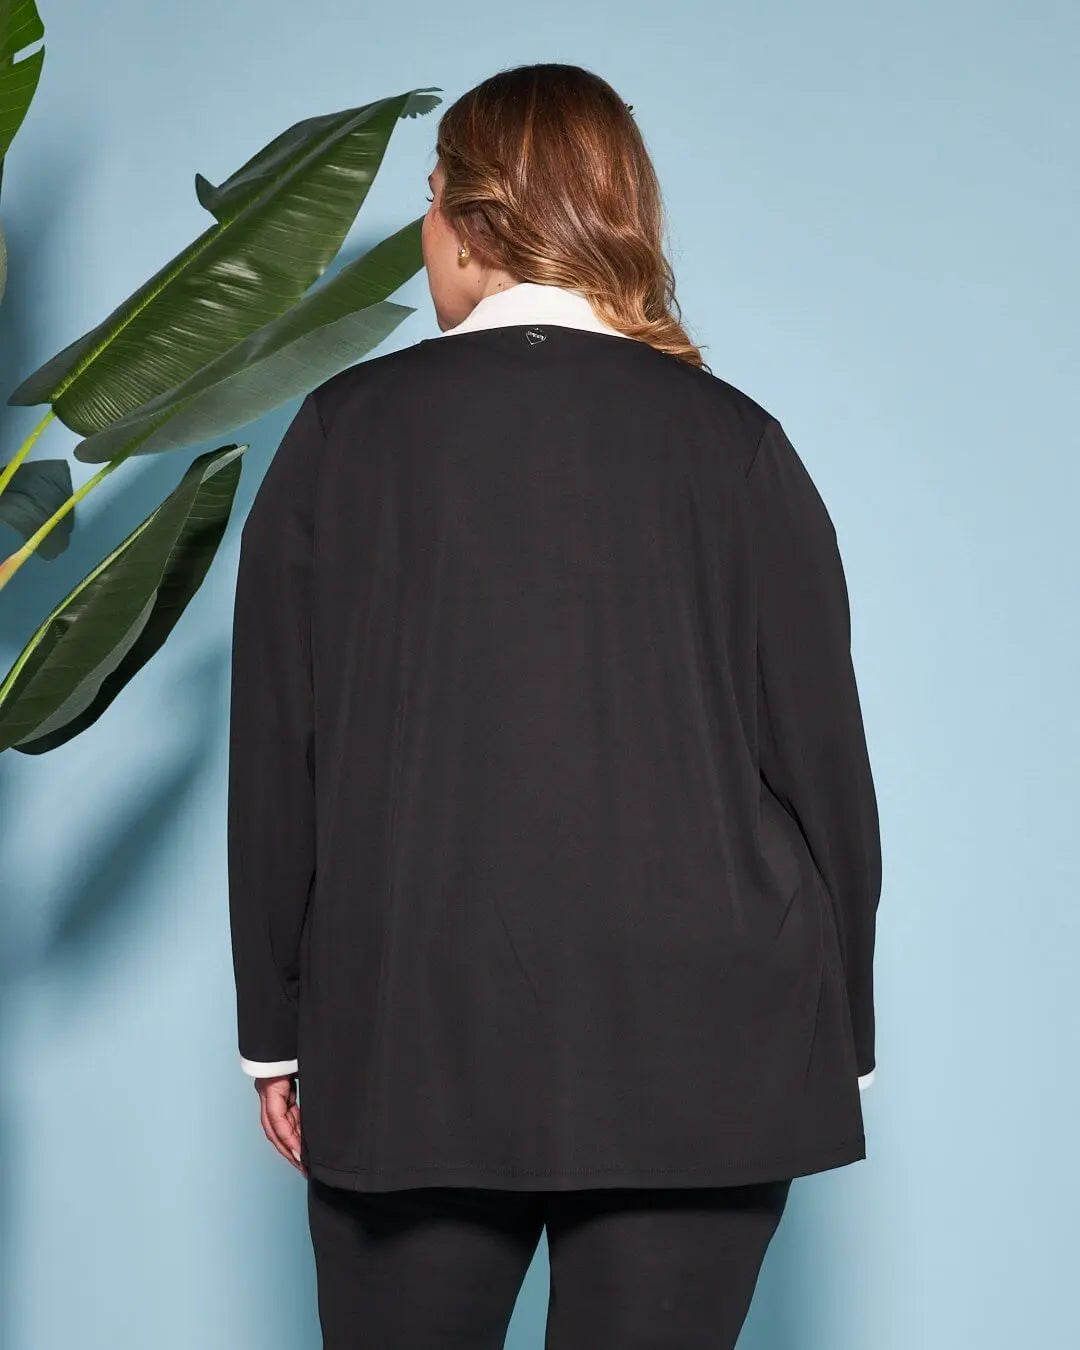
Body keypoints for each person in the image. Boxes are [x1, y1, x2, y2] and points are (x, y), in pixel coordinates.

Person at [226, 61, 882, 1349]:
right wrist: (836, 1036)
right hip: (709, 1038)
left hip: (405, 1027)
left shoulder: (341, 437)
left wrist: (277, 1033)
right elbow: (824, 773)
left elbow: (275, 759)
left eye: (429, 199)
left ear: (471, 223)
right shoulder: (735, 441)